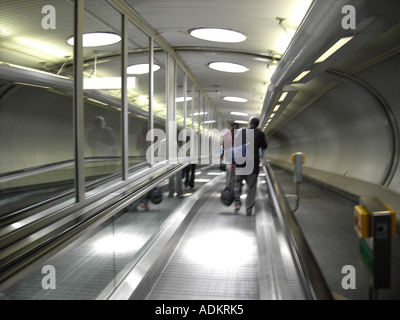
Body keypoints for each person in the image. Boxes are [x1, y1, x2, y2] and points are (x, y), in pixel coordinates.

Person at [233, 116, 267, 216]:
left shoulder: (241, 131)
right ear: (257, 125)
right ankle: (248, 209)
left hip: (240, 162)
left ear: (249, 123)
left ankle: (237, 202)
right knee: (251, 187)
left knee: (237, 183)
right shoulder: (260, 134)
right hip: (253, 163)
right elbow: (264, 146)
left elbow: (235, 145)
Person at [222, 123, 239, 188]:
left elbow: (224, 146)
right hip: (237, 156)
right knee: (235, 173)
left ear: (231, 127)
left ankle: (228, 187)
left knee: (229, 173)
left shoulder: (226, 135)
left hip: (228, 156)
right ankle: (234, 188)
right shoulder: (239, 135)